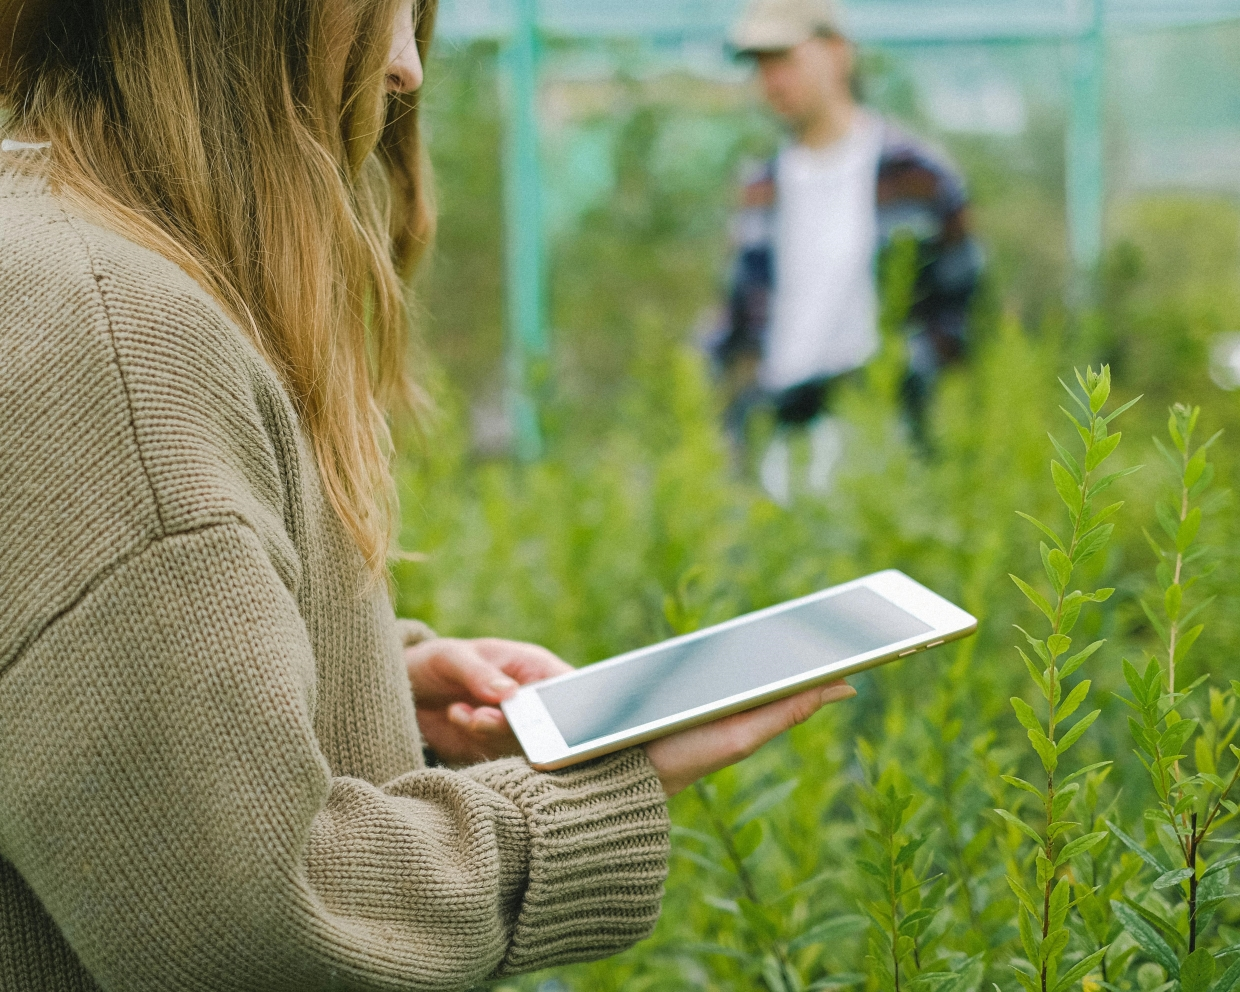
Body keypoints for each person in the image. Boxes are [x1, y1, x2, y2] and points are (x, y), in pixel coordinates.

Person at [0, 0, 858, 989]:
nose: (406, 68)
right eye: (385, 10)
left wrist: (369, 676)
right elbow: (252, 922)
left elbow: (92, 657)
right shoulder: (115, 333)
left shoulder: (64, 265)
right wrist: (593, 795)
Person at [712, 0, 984, 499]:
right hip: (779, 444)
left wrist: (895, 383)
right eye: (760, 66)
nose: (772, 80)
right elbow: (736, 320)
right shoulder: (761, 188)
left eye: (784, 58)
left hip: (886, 438)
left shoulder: (917, 178)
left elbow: (961, 312)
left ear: (837, 53)